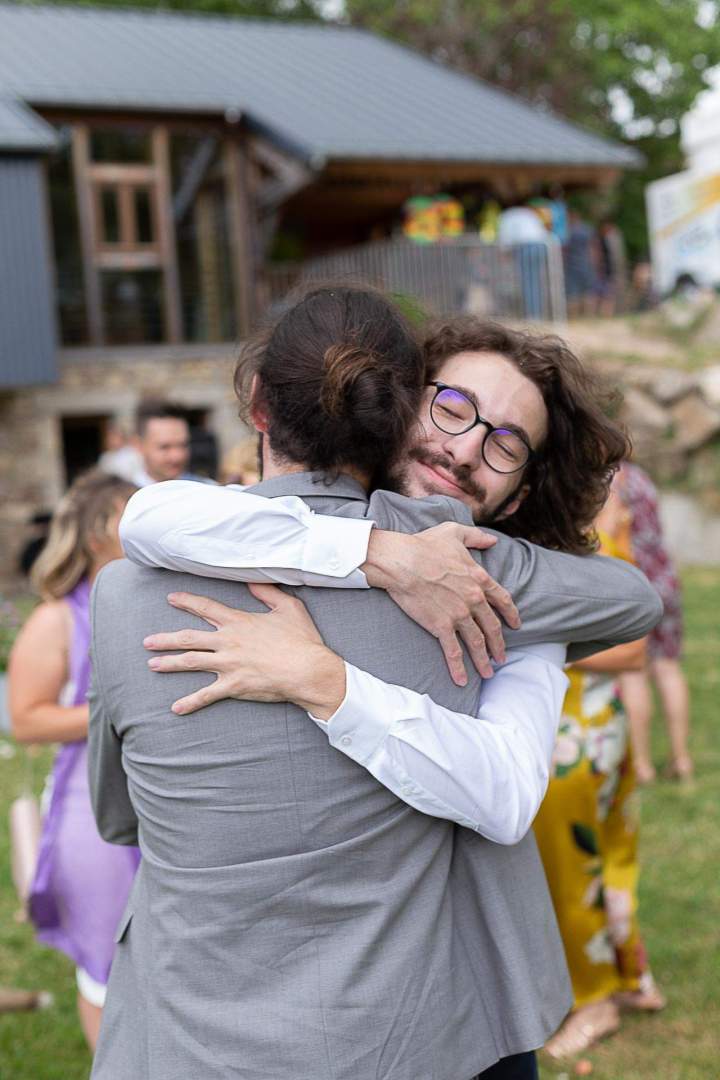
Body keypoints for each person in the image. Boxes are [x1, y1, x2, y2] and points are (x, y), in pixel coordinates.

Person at [105, 302, 662, 1080]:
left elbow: (504, 792)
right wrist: (376, 552)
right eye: (453, 407)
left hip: (445, 1011)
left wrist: (327, 682)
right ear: (391, 399)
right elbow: (150, 515)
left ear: (520, 491)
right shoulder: (225, 527)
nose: (466, 448)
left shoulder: (505, 597)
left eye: (506, 444)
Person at [8, 469, 140, 1052]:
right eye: (128, 515)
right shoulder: (57, 618)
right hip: (89, 806)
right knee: (104, 959)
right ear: (95, 534)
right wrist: (128, 715)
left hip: (157, 800)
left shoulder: (148, 600)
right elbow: (29, 718)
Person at [534, 501, 664, 1062]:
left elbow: (634, 650)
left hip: (578, 740)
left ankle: (594, 1000)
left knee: (575, 870)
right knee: (608, 864)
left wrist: (538, 640)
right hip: (593, 732)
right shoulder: (579, 535)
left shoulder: (579, 543)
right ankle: (631, 976)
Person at [615, 462, 693, 783]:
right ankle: (681, 758)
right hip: (665, 580)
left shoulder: (608, 481)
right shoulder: (640, 477)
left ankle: (642, 765)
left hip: (633, 585)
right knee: (668, 668)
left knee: (633, 672)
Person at [132, 400, 192, 486]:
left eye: (183, 445)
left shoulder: (209, 492)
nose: (177, 456)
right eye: (164, 447)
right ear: (138, 445)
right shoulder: (124, 496)